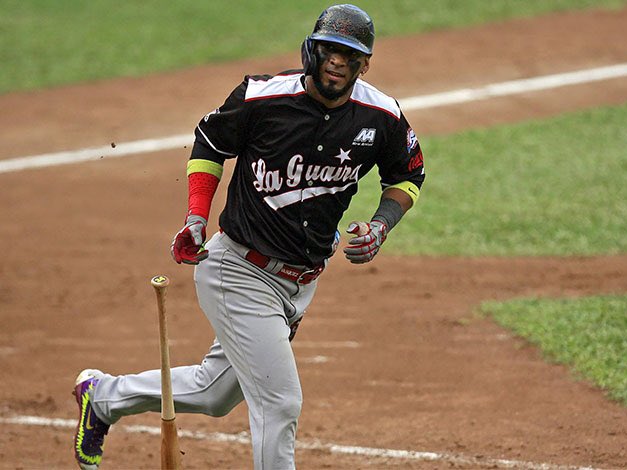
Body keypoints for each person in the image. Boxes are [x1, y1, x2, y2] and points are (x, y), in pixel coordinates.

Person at [72, 4, 425, 469]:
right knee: (280, 404)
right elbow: (210, 145)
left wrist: (380, 225)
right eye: (329, 50)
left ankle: (102, 397)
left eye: (349, 54)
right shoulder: (261, 97)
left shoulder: (381, 116)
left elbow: (408, 175)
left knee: (214, 392)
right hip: (238, 269)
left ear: (365, 64)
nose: (337, 61)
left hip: (300, 284)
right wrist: (197, 217)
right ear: (311, 50)